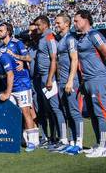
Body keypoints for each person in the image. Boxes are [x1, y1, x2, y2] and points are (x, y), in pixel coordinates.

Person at [0, 38, 39, 151]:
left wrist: (7, 93)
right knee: (12, 113)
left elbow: (10, 75)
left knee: (25, 112)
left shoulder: (2, 56)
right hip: (11, 88)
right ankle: (18, 138)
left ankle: (32, 142)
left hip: (21, 86)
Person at [74, 10, 106, 158]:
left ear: (86, 19)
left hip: (98, 79)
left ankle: (104, 146)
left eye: (76, 21)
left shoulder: (95, 35)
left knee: (101, 113)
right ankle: (99, 142)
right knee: (93, 114)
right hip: (87, 81)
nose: (75, 23)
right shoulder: (82, 38)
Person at [34, 15, 67, 147]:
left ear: (45, 25)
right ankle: (54, 138)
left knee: (55, 108)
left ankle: (63, 139)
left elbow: (54, 58)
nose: (36, 28)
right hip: (43, 77)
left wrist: (49, 79)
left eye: (38, 25)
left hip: (49, 77)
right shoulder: (43, 38)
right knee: (49, 109)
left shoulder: (49, 37)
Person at [53, 13, 83, 155]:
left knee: (74, 112)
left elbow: (74, 59)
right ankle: (71, 141)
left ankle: (80, 143)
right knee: (66, 112)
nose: (56, 25)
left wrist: (70, 80)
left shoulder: (70, 38)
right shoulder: (61, 40)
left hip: (70, 81)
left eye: (58, 23)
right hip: (61, 81)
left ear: (67, 24)